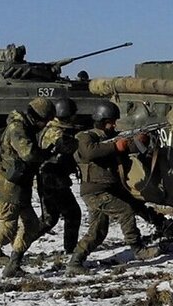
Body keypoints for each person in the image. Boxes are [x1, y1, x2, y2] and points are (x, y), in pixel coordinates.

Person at [65, 100, 163, 274]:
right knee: (125, 211)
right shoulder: (85, 137)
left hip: (107, 189)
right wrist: (116, 145)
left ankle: (75, 262)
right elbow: (90, 152)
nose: (114, 125)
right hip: (95, 190)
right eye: (111, 122)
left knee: (98, 231)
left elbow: (128, 147)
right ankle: (138, 248)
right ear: (103, 121)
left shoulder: (112, 137)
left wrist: (141, 140)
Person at [0, 97, 55, 280]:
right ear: (37, 117)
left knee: (31, 226)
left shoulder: (26, 127)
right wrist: (48, 153)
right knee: (7, 228)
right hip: (8, 186)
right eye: (45, 121)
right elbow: (28, 153)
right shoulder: (18, 128)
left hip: (20, 185)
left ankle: (13, 265)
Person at [36, 96, 83, 260]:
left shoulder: (54, 128)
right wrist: (81, 139)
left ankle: (20, 245)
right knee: (73, 213)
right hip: (52, 179)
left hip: (51, 178)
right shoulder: (54, 131)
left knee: (50, 219)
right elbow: (66, 146)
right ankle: (71, 250)